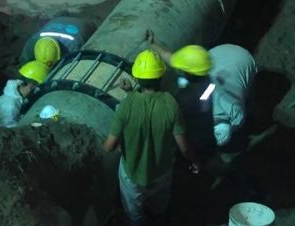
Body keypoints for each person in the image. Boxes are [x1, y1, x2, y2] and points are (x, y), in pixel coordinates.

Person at [102, 49, 199, 226]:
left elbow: (109, 147)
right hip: (161, 173)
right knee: (159, 208)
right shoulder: (170, 103)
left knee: (134, 215)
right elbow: (184, 147)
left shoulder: (126, 106)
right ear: (161, 76)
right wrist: (194, 161)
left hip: (132, 176)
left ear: (137, 78)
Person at [147, 31, 256, 148]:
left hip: (235, 59)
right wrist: (153, 43)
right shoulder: (199, 75)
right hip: (237, 58)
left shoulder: (233, 109)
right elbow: (173, 60)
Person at [0, 60, 49, 128]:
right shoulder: (10, 105)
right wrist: (33, 125)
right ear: (31, 85)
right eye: (37, 87)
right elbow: (11, 128)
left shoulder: (16, 96)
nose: (37, 91)